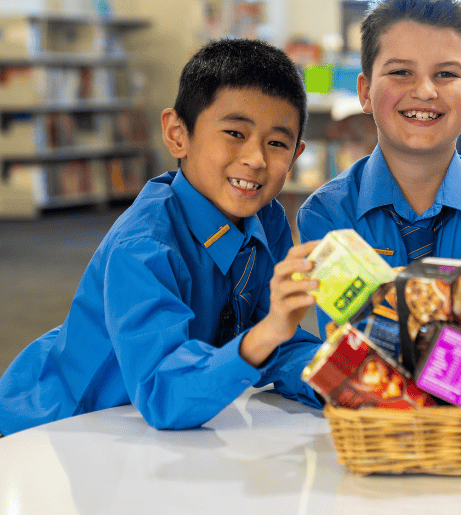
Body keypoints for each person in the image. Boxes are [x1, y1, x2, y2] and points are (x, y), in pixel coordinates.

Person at [0, 39, 325, 436]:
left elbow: (269, 337)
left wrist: (340, 378)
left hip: (146, 426)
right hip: (55, 431)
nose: (257, 159)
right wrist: (272, 331)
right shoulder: (143, 247)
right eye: (235, 133)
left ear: (295, 156)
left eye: (277, 143)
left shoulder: (267, 218)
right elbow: (163, 391)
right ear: (177, 135)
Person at [297, 0, 461, 338]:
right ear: (365, 92)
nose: (425, 91)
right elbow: (353, 351)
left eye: (445, 75)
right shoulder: (328, 215)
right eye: (401, 72)